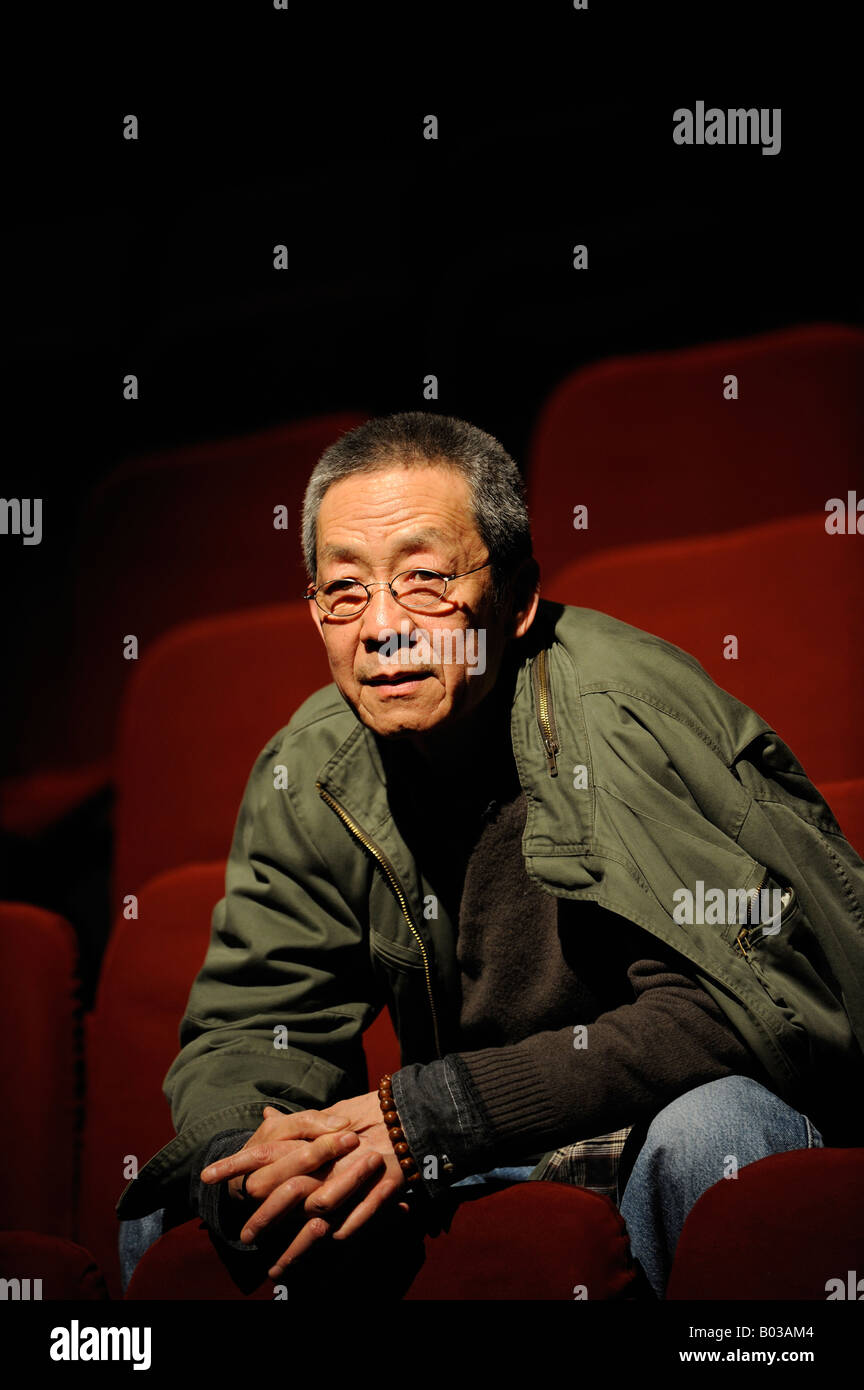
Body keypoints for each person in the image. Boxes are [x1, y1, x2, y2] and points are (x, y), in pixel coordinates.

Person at [117, 411, 864, 1298]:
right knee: (179, 1204)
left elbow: (736, 1009)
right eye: (343, 591)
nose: (381, 628)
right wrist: (252, 1151)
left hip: (633, 1119)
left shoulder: (624, 713)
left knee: (719, 1132)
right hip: (460, 1148)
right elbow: (250, 1022)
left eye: (425, 581)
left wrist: (431, 1114)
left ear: (516, 600)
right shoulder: (311, 768)